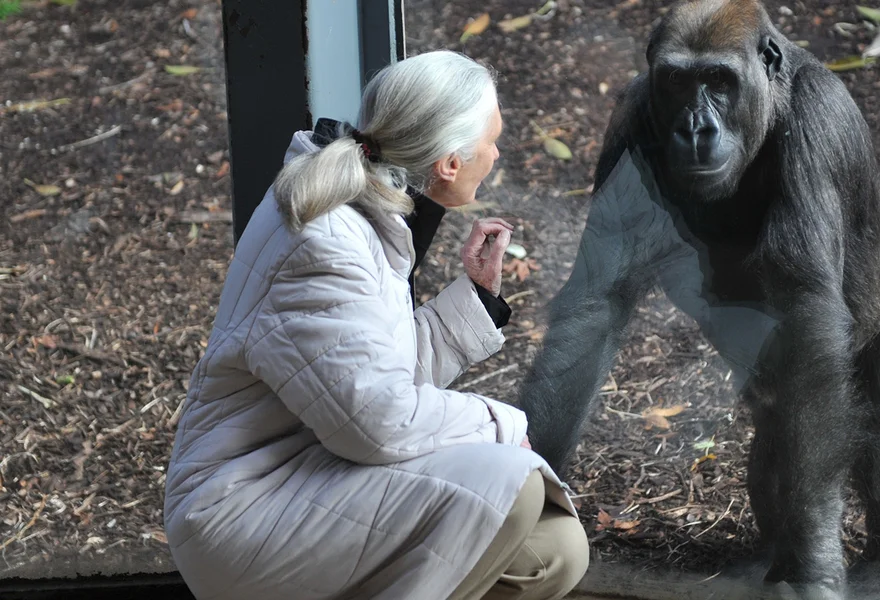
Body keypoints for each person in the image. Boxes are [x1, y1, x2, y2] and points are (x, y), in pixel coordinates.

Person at [163, 50, 589, 600]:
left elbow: (366, 377)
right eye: (492, 140)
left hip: (312, 470)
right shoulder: (326, 240)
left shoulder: (360, 207)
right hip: (242, 507)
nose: (497, 153)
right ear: (450, 164)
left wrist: (477, 300)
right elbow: (377, 421)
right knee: (515, 486)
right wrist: (499, 425)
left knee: (553, 549)